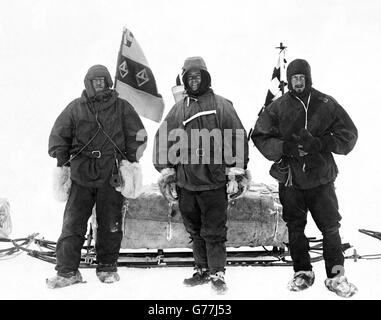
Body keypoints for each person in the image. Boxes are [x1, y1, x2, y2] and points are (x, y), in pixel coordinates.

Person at [251, 58, 358, 298]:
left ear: (308, 79)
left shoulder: (325, 103)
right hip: (291, 179)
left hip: (321, 178)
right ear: (289, 81)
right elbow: (259, 135)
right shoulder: (278, 107)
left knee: (330, 227)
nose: (298, 82)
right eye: (294, 79)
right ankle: (302, 272)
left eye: (302, 78)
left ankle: (336, 275)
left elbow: (349, 134)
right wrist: (285, 147)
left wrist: (322, 142)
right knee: (295, 227)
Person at [153, 56, 250, 294]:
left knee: (214, 230)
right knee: (194, 230)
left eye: (198, 76)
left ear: (205, 77)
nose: (194, 81)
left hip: (214, 181)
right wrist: (167, 172)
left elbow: (236, 136)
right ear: (184, 79)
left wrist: (235, 172)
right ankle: (202, 269)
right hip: (187, 182)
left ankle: (217, 272)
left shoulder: (221, 105)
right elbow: (163, 139)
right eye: (190, 77)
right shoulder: (178, 109)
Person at [47, 64, 147, 288]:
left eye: (103, 79)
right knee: (72, 224)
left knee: (110, 224)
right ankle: (67, 272)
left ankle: (107, 268)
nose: (99, 83)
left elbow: (139, 135)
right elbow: (58, 136)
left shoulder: (122, 107)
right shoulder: (75, 108)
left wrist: (130, 159)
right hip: (81, 174)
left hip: (110, 174)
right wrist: (62, 161)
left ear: (108, 81)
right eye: (95, 80)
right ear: (88, 83)